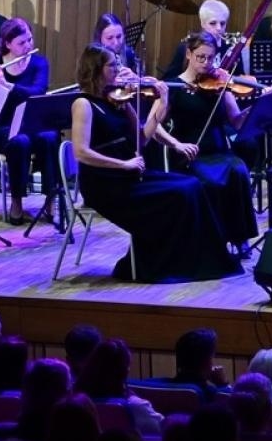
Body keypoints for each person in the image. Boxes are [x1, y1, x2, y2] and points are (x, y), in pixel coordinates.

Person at [69, 44, 239, 281]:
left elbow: (142, 138)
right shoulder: (83, 104)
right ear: (96, 69)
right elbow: (81, 152)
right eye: (112, 65)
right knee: (178, 195)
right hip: (106, 184)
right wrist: (123, 165)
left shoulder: (119, 99)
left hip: (130, 175)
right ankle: (162, 264)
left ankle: (198, 260)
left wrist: (161, 104)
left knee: (192, 186)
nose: (119, 69)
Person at [163, 31, 262, 254]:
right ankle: (214, 241)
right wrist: (176, 144)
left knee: (238, 171)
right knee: (213, 182)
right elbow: (155, 125)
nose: (206, 63)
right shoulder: (174, 87)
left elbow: (236, 122)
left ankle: (240, 237)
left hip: (219, 150)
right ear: (188, 54)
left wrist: (258, 105)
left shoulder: (219, 83)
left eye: (211, 58)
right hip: (190, 153)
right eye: (201, 57)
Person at [0, 17, 59, 225]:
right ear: (8, 44)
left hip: (32, 123)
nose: (28, 45)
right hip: (2, 127)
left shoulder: (39, 63)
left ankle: (51, 198)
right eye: (22, 43)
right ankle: (16, 200)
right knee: (19, 142)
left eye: (29, 40)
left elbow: (37, 92)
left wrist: (8, 85)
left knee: (50, 137)